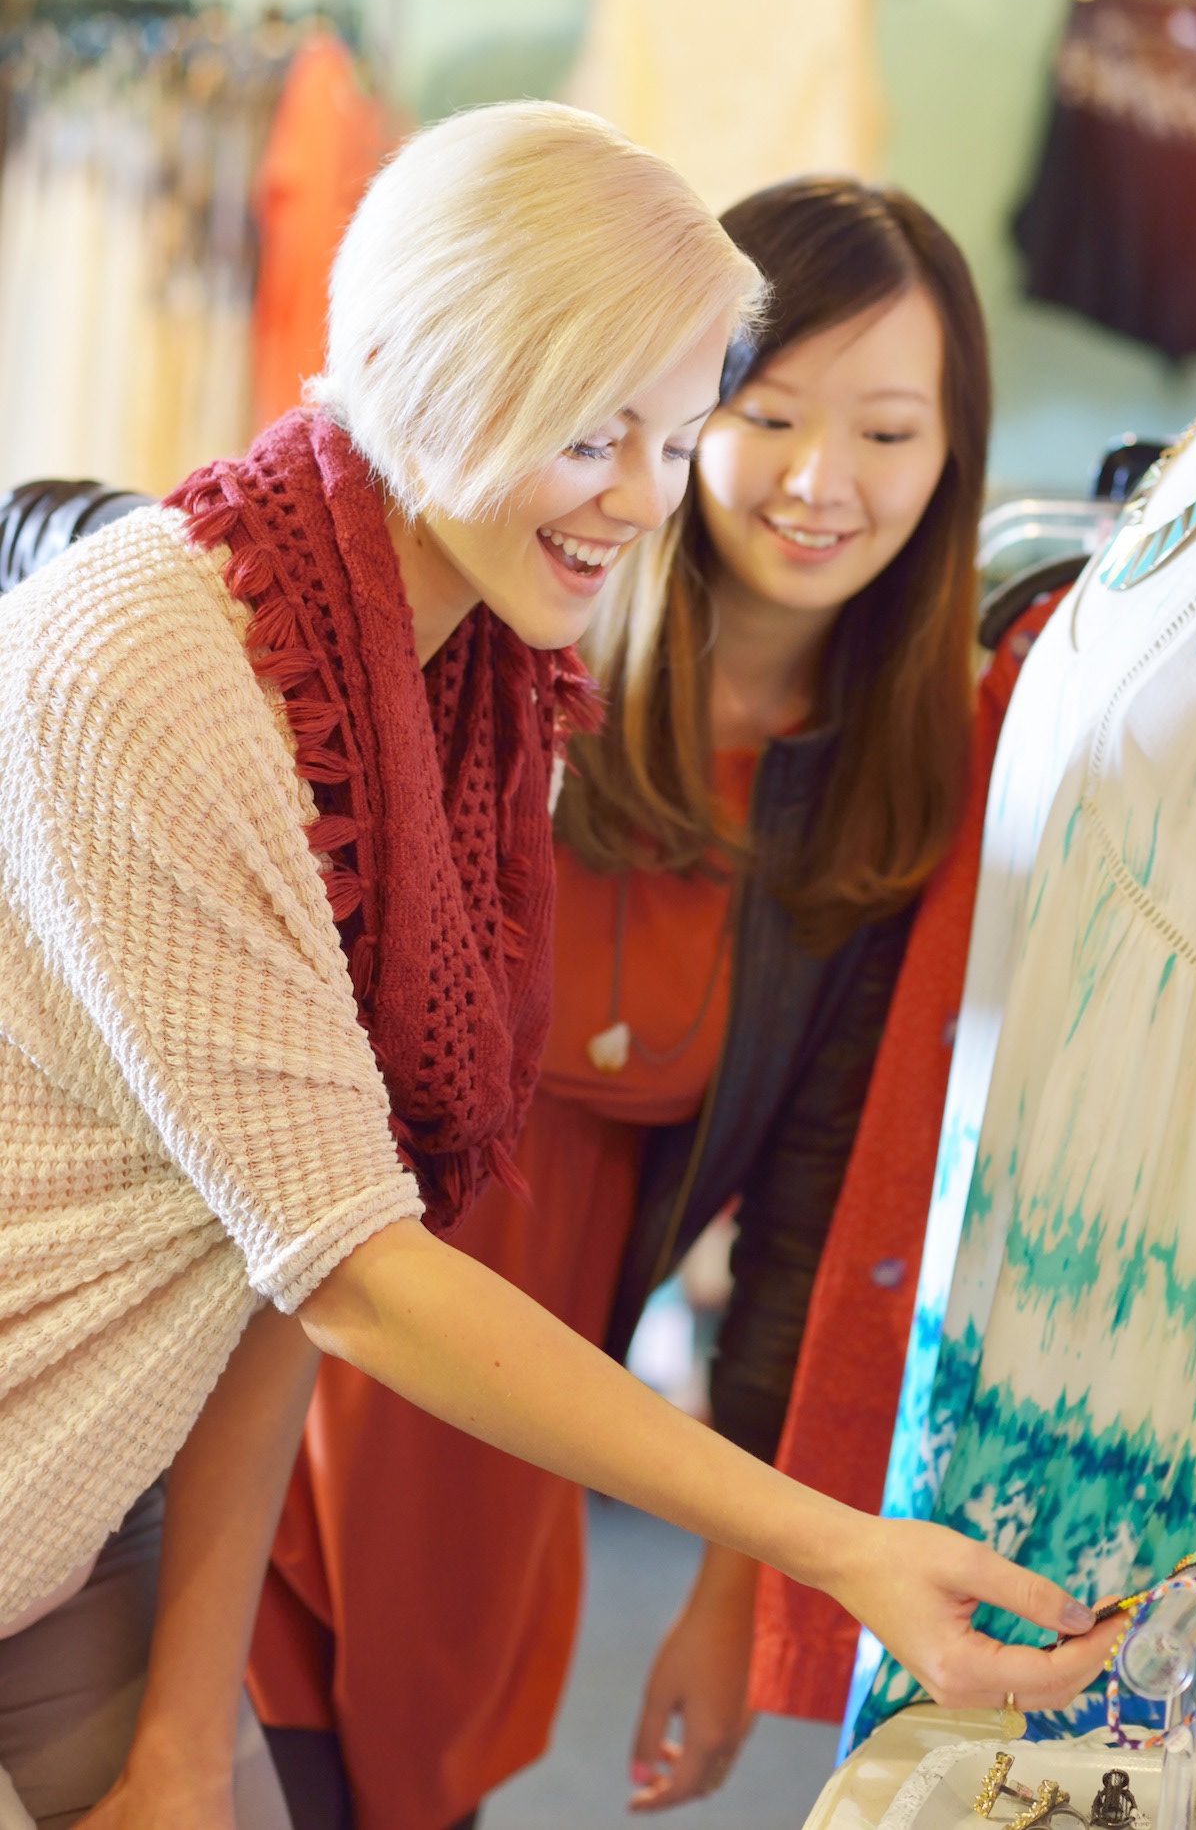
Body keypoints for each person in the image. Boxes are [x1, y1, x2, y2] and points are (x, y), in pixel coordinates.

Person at [0, 110, 1115, 1830]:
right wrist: (829, 1546)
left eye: (670, 434)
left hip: (131, 1481)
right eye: (595, 433)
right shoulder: (175, 665)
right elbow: (343, 1265)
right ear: (409, 369)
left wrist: (182, 1740)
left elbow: (285, 1246)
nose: (646, 497)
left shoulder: (466, 696)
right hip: (196, 1438)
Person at [247, 176, 1021, 1830]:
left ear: (953, 453)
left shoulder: (891, 791)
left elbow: (804, 1223)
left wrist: (739, 1591)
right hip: (275, 1378)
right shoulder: (505, 664)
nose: (819, 482)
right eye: (765, 414)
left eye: (888, 432)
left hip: (510, 1456)